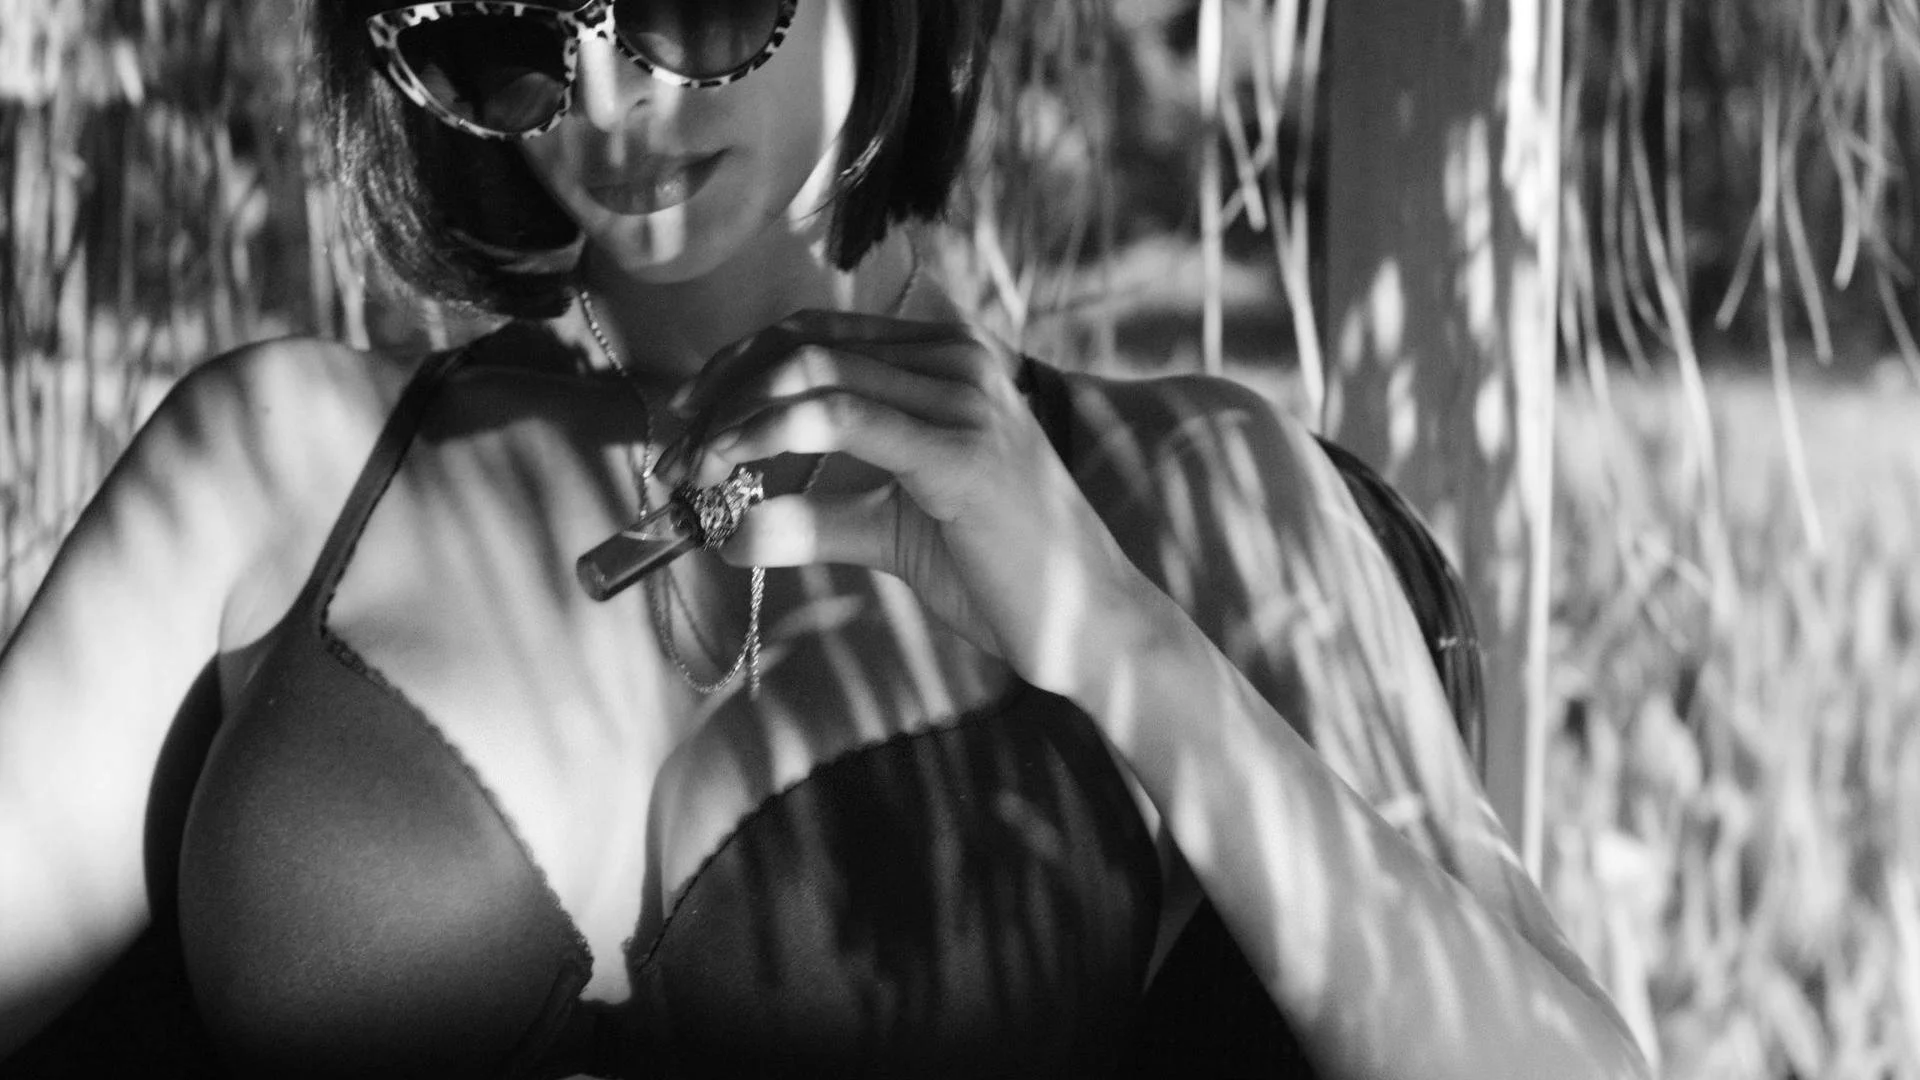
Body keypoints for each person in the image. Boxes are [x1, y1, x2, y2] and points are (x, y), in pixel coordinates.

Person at [0, 0, 1653, 1076]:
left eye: (692, 4)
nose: (608, 96)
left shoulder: (1188, 489)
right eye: (504, 33)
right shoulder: (276, 467)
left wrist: (1108, 631)